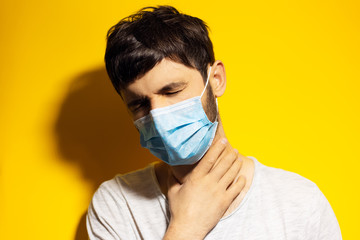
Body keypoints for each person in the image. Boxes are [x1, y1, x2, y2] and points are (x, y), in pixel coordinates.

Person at [86, 5, 341, 239]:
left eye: (172, 91)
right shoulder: (117, 203)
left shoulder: (300, 202)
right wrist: (186, 227)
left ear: (216, 79)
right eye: (139, 104)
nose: (158, 115)